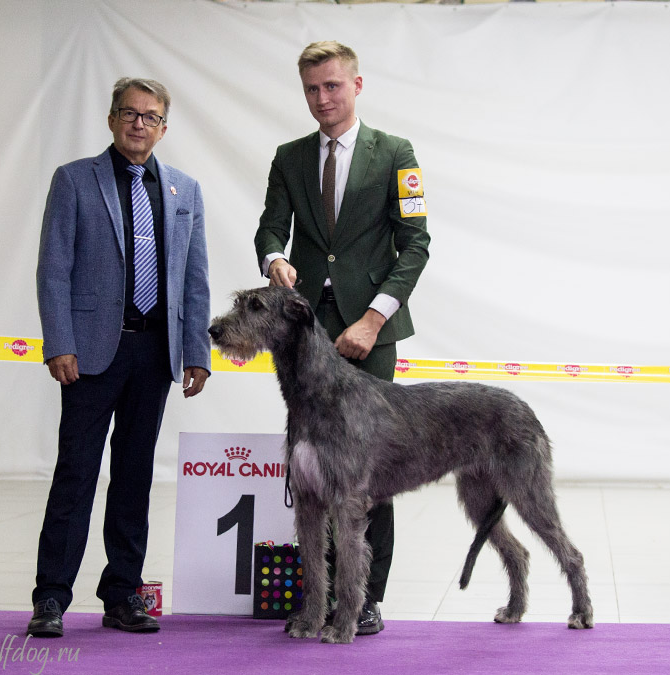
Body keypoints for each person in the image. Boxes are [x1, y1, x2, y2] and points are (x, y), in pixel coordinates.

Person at [254, 41, 430, 635]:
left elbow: (416, 244)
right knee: (311, 472)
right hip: (305, 335)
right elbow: (270, 227)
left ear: (358, 85)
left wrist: (374, 318)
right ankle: (318, 597)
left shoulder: (396, 153)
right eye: (311, 89)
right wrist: (275, 257)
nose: (322, 98)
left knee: (365, 474)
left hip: (369, 333)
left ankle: (365, 599)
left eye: (332, 86)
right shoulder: (289, 156)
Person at [28, 77, 211, 637]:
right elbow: (53, 268)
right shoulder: (74, 180)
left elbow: (194, 278)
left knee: (134, 477)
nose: (139, 123)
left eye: (151, 116)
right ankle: (51, 598)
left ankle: (123, 594)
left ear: (163, 127)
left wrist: (197, 350)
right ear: (111, 120)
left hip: (155, 354)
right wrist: (58, 342)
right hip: (89, 354)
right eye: (129, 113)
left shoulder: (184, 190)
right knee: (76, 475)